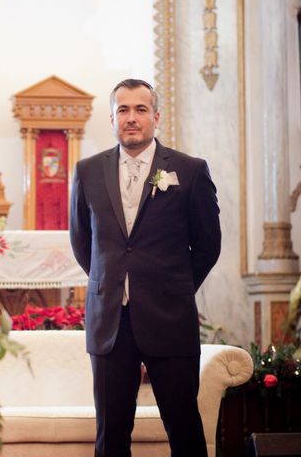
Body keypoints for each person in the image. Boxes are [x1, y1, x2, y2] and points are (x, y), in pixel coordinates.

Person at [69, 78, 221, 457]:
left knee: (184, 428)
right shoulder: (87, 171)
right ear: (111, 118)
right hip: (109, 324)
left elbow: (208, 245)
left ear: (155, 116)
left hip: (170, 318)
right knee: (111, 433)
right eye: (123, 110)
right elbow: (81, 241)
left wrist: (175, 287)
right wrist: (114, 282)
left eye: (139, 109)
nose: (131, 118)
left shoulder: (189, 170)